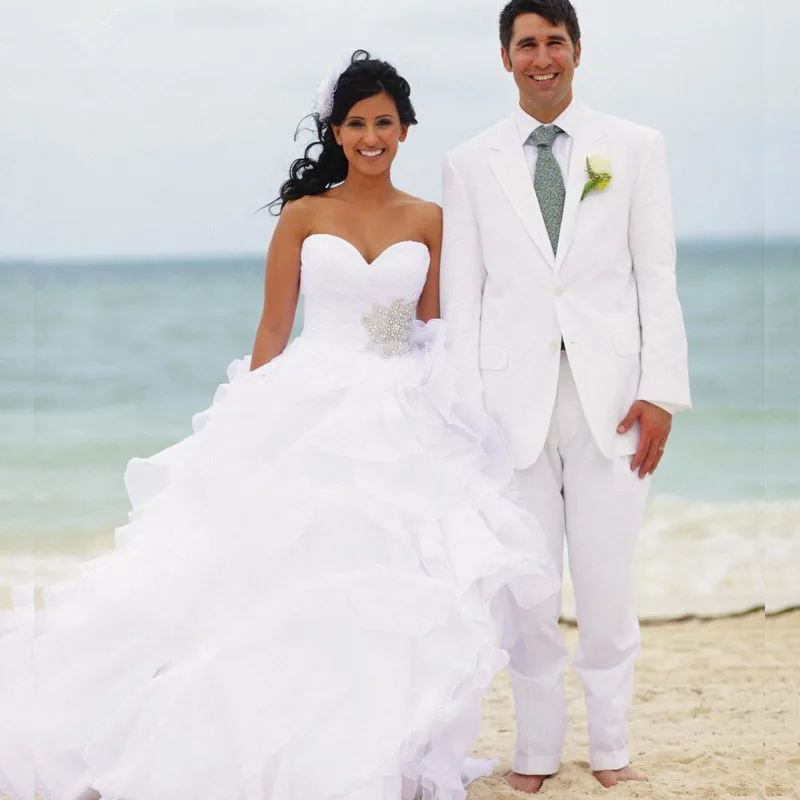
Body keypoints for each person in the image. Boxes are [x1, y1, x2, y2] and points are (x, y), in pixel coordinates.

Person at [0, 51, 559, 800]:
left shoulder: (430, 219)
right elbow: (273, 326)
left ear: (405, 129)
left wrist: (452, 409)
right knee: (284, 570)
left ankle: (374, 745)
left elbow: (434, 326)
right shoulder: (304, 215)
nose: (370, 137)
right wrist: (247, 421)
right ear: (336, 132)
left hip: (401, 407)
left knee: (390, 577)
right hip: (312, 396)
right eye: (356, 123)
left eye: (384, 122)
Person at [440, 0, 691, 792]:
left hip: (613, 402)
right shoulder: (469, 163)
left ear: (578, 50)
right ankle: (536, 753)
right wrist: (463, 413)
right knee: (528, 596)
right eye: (526, 44)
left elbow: (656, 278)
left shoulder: (635, 148)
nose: (541, 57)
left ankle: (611, 747)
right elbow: (462, 298)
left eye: (554, 41)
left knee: (608, 589)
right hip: (506, 410)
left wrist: (661, 392)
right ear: (505, 58)